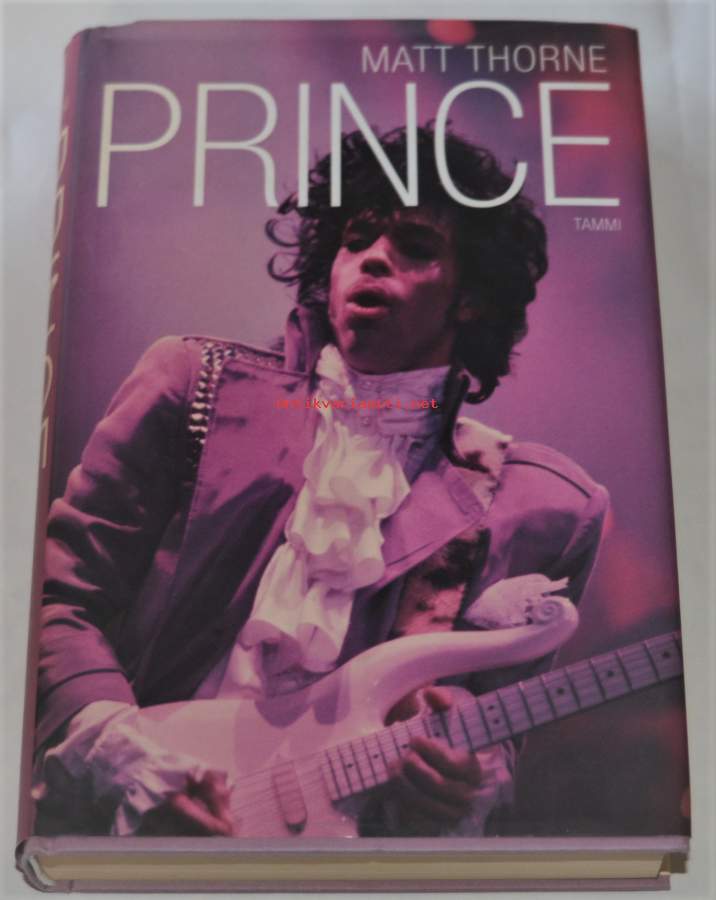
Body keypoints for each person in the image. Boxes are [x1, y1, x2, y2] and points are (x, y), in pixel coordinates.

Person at [33, 125, 608, 838]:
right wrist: (126, 759)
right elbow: (58, 600)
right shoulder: (191, 384)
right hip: (128, 835)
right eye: (356, 238)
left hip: (338, 862)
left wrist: (462, 783)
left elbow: (492, 736)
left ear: (471, 299)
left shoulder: (540, 506)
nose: (372, 258)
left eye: (415, 245)